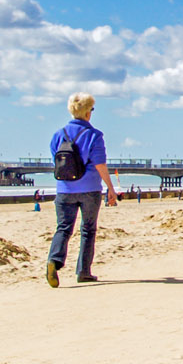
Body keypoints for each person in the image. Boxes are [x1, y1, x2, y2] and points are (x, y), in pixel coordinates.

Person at [46, 92, 118, 287]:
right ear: (88, 112)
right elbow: (100, 165)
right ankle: (83, 271)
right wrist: (110, 189)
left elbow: (56, 159)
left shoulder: (58, 135)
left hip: (64, 189)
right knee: (87, 230)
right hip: (89, 189)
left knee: (63, 228)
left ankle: (54, 260)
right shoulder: (95, 135)